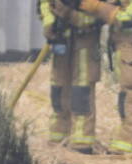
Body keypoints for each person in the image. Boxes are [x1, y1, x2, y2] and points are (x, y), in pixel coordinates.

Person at [75, 0, 132, 153]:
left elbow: (130, 16)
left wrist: (99, 7)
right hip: (125, 42)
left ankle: (126, 142)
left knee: (131, 91)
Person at [39, 0, 104, 153]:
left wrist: (70, 15)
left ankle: (82, 140)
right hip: (61, 38)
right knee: (58, 86)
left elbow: (100, 15)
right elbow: (44, 3)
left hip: (85, 40)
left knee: (82, 89)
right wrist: (49, 22)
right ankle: (58, 134)